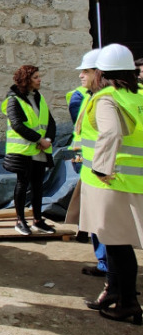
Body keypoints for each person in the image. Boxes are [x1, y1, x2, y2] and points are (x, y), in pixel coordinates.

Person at [78, 44, 143, 325]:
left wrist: (102, 168)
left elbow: (111, 133)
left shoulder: (107, 98)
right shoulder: (138, 95)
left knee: (117, 245)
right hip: (133, 179)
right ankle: (113, 291)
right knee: (115, 243)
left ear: (102, 72)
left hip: (111, 183)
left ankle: (128, 302)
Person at [1, 65, 57, 236]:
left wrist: (47, 140)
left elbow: (50, 122)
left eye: (39, 76)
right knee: (22, 184)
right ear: (26, 80)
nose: (39, 80)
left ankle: (38, 220)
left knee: (38, 186)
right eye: (35, 77)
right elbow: (17, 125)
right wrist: (39, 139)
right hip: (23, 151)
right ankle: (20, 220)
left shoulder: (39, 98)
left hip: (39, 150)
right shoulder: (13, 100)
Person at [67, 49, 108, 278]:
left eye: (86, 71)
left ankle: (109, 269)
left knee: (106, 226)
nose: (81, 76)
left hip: (102, 173)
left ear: (98, 73)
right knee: (95, 220)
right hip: (89, 166)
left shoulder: (104, 100)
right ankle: (104, 263)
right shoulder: (84, 96)